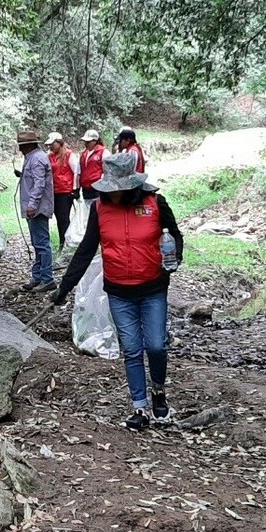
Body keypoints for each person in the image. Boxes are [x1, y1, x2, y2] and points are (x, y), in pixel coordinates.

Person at [51, 151, 184, 431]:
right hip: (119, 292)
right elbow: (86, 250)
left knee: (157, 345)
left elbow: (175, 235)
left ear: (131, 186)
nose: (111, 194)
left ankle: (158, 391)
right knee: (133, 349)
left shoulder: (155, 203)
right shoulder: (100, 209)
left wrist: (174, 258)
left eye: (116, 190)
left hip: (153, 288)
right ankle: (140, 408)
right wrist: (64, 288)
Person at [16, 128, 56, 292]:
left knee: (42, 244)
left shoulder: (37, 159)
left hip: (38, 209)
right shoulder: (32, 158)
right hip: (34, 208)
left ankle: (47, 279)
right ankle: (38, 276)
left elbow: (39, 184)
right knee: (37, 243)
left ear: (27, 145)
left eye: (21, 145)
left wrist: (32, 205)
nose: (19, 148)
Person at [46, 132, 80, 249]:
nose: (50, 147)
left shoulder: (69, 155)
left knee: (64, 218)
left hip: (65, 192)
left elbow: (76, 171)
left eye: (52, 144)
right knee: (59, 219)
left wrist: (75, 189)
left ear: (59, 143)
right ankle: (63, 242)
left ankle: (66, 243)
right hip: (54, 191)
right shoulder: (49, 156)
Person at [78, 130, 106, 201]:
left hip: (97, 188)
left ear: (95, 141)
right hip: (86, 188)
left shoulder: (103, 152)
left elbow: (107, 170)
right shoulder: (84, 153)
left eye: (88, 142)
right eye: (85, 142)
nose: (86, 144)